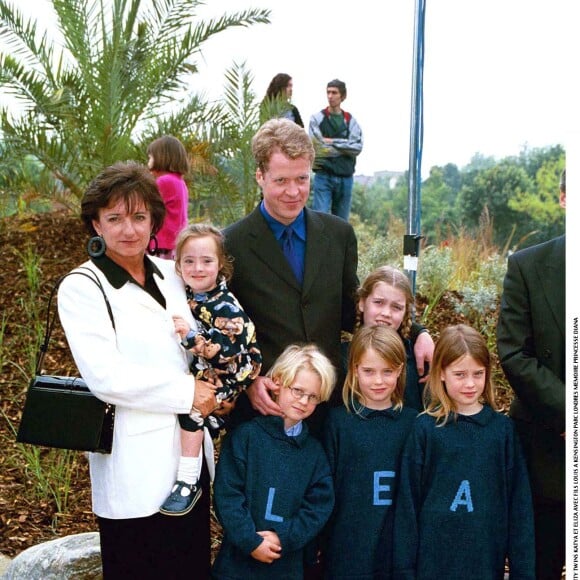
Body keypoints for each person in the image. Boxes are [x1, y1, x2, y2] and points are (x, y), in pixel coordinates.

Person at [57, 162, 218, 578]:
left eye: (139, 217)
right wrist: (189, 393)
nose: (128, 229)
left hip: (188, 460)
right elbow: (106, 377)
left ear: (154, 221)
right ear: (96, 224)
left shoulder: (172, 275)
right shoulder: (83, 287)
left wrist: (218, 386)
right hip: (133, 468)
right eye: (115, 218)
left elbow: (194, 347)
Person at [223, 118, 433, 435]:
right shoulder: (230, 244)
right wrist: (249, 383)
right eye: (281, 180)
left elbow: (353, 310)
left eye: (302, 179)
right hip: (264, 408)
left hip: (329, 408)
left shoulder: (338, 235)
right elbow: (222, 329)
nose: (293, 191)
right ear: (260, 176)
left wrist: (417, 333)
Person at [393, 324, 535, 579]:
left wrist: (522, 571)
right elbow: (407, 506)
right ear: (442, 373)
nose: (470, 383)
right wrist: (404, 570)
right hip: (432, 564)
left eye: (478, 374)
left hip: (484, 563)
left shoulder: (502, 431)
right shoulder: (425, 429)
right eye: (460, 374)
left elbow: (519, 508)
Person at [159, 223, 262, 516]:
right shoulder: (192, 295)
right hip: (211, 370)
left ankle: (187, 481)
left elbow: (227, 352)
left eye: (207, 261)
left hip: (234, 370)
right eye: (188, 261)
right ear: (178, 266)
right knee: (206, 422)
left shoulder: (225, 306)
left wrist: (190, 339)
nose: (198, 268)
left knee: (192, 412)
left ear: (221, 266)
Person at [212, 344, 336, 579]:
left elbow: (318, 507)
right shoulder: (246, 437)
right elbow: (227, 494)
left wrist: (284, 537)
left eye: (312, 397)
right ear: (277, 383)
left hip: (287, 566)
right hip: (237, 565)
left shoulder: (315, 454)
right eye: (297, 390)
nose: (303, 401)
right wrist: (250, 541)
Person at [496, 168, 566, 580]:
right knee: (541, 564)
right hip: (547, 452)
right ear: (562, 198)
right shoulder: (527, 266)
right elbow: (513, 352)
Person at [323, 325, 418, 579]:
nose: (378, 381)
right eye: (368, 371)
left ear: (400, 370)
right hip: (347, 547)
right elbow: (325, 490)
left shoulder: (414, 424)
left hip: (396, 548)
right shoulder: (338, 422)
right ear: (354, 370)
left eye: (387, 371)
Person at [356, 264, 431, 411]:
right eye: (378, 302)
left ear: (405, 312)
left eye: (396, 307)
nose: (386, 313)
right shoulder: (343, 357)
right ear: (362, 303)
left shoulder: (417, 360)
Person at [308, 78, 363, 221]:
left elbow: (357, 147)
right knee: (320, 220)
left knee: (342, 223)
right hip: (323, 176)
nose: (330, 96)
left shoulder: (351, 121)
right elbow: (318, 148)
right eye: (328, 92)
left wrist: (332, 141)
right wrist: (345, 147)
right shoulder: (317, 118)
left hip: (346, 177)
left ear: (343, 96)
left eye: (334, 93)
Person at [147, 135, 190, 259]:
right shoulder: (180, 182)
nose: (148, 162)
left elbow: (146, 206)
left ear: (161, 157)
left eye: (150, 157)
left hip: (160, 243)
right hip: (174, 243)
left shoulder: (164, 181)